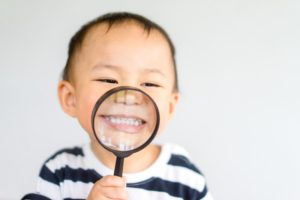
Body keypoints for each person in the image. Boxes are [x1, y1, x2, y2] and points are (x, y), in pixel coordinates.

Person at [22, 12, 213, 200]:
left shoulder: (186, 180)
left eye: (150, 84)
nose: (128, 97)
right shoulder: (60, 171)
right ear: (70, 98)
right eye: (108, 79)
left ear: (170, 107)